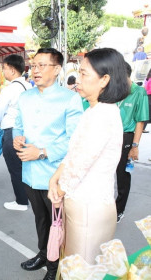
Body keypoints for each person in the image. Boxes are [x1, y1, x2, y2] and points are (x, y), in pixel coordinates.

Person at [48, 48, 129, 264]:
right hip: (82, 202)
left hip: (88, 206)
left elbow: (81, 164)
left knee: (81, 268)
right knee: (77, 265)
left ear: (104, 80)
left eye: (84, 74)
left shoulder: (102, 115)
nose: (78, 79)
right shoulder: (94, 110)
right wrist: (56, 177)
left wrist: (59, 189)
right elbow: (75, 154)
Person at [13, 48, 83, 280]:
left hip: (55, 176)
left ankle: (56, 269)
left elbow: (74, 140)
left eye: (42, 65)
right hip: (30, 173)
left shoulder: (70, 98)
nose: (36, 70)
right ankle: (43, 254)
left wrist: (42, 152)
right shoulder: (25, 97)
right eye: (34, 65)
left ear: (57, 69)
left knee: (58, 225)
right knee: (40, 219)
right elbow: (18, 124)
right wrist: (17, 137)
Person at [0, 54, 32, 211]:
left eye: (4, 68)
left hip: (11, 132)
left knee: (15, 168)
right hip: (27, 132)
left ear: (11, 69)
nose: (3, 72)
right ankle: (29, 196)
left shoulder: (9, 89)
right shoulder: (29, 87)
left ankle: (21, 202)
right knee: (25, 166)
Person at [115, 62, 149, 223]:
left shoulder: (139, 92)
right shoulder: (113, 90)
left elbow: (140, 122)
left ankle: (119, 210)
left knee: (122, 175)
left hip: (126, 137)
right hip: (109, 136)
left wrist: (135, 146)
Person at [143, 68, 151, 133]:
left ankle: (143, 127)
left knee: (146, 112)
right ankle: (143, 128)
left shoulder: (146, 78)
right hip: (149, 96)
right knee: (148, 113)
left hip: (146, 96)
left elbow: (144, 87)